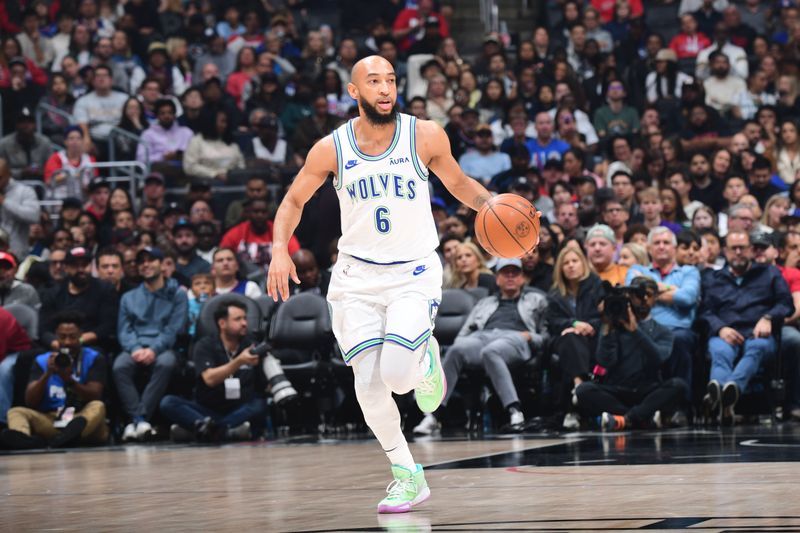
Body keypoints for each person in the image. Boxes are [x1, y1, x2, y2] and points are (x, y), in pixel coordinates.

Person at [266, 56, 502, 514]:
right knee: (369, 385)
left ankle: (425, 356)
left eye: (390, 80)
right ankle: (407, 474)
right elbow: (293, 200)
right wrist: (279, 248)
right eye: (373, 81)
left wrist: (490, 204)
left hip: (412, 270)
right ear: (354, 92)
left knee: (397, 375)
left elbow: (457, 182)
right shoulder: (331, 148)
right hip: (355, 276)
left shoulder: (425, 134)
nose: (385, 88)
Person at [414, 258, 549, 435]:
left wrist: (531, 337)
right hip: (483, 336)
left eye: (514, 273)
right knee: (457, 350)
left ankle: (515, 412)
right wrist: (458, 346)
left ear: (522, 278)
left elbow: (546, 334)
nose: (510, 276)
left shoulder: (536, 299)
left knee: (491, 352)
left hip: (515, 337)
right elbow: (465, 331)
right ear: (497, 279)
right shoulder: (485, 303)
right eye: (504, 273)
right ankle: (433, 416)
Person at [699, 230, 794, 423]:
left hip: (758, 333)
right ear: (725, 251)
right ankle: (726, 397)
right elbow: (705, 311)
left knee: (756, 349)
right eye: (733, 249)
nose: (738, 252)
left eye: (742, 248)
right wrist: (720, 328)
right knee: (720, 352)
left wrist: (768, 317)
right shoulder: (714, 278)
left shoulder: (769, 273)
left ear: (751, 250)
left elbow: (786, 304)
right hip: (726, 332)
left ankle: (724, 393)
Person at [575, 277, 686, 430]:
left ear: (655, 298)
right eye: (639, 295)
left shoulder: (663, 331)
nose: (644, 299)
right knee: (583, 390)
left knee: (678, 385)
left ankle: (625, 419)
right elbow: (605, 361)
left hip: (647, 389)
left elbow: (659, 358)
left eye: (648, 294)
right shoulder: (613, 325)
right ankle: (640, 417)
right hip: (617, 389)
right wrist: (607, 329)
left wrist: (635, 331)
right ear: (629, 297)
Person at [160, 300, 268, 442]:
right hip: (208, 410)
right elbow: (209, 379)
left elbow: (263, 385)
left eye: (245, 318)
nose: (244, 323)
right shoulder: (205, 345)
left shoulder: (251, 345)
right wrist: (239, 361)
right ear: (222, 323)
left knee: (260, 404)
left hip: (240, 409)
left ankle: (205, 430)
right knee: (168, 402)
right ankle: (226, 431)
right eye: (238, 319)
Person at [0, 312, 108, 450]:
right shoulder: (43, 360)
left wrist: (68, 379)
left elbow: (95, 395)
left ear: (81, 335)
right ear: (56, 336)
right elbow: (30, 401)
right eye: (63, 337)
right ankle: (25, 441)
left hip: (81, 419)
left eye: (72, 337)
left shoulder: (94, 358)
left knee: (97, 406)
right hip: (51, 419)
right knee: (16, 412)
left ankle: (65, 438)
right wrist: (48, 374)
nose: (67, 342)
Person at [114, 246, 187, 442]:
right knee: (119, 366)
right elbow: (124, 329)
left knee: (166, 363)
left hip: (164, 346)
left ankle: (137, 419)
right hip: (135, 346)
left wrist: (154, 350)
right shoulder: (128, 297)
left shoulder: (177, 294)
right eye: (141, 261)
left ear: (162, 264)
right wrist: (136, 348)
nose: (146, 264)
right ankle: (141, 419)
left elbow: (174, 328)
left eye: (151, 260)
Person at [626, 227, 700, 406]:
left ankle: (679, 406)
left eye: (666, 243)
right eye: (656, 243)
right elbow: (633, 296)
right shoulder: (636, 269)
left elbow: (686, 297)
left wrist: (649, 288)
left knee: (680, 339)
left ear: (674, 248)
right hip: (643, 328)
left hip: (678, 330)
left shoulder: (688, 272)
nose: (661, 247)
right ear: (649, 249)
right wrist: (670, 290)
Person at [546, 246, 603, 429]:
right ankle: (580, 386)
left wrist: (588, 326)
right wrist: (572, 324)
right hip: (564, 339)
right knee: (570, 339)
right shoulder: (555, 294)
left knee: (574, 341)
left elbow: (604, 316)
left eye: (575, 261)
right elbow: (553, 321)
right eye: (566, 263)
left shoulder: (596, 286)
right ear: (560, 268)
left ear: (583, 264)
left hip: (593, 338)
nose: (571, 266)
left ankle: (574, 404)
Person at [39, 247, 118, 353]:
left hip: (91, 345)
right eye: (75, 265)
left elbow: (107, 325)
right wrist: (58, 343)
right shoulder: (53, 293)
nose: (81, 269)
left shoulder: (105, 289)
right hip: (58, 345)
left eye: (85, 265)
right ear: (66, 268)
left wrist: (77, 341)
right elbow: (43, 328)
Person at [220, 198, 299, 269]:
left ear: (268, 213)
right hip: (244, 280)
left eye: (263, 212)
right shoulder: (236, 232)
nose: (259, 215)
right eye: (256, 212)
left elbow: (296, 255)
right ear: (248, 213)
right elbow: (222, 255)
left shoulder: (281, 232)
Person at [0, 158, 40, 258]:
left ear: (8, 174)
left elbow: (34, 216)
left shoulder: (25, 191)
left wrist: (5, 202)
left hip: (16, 252)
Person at [0, 306, 32, 428]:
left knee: (3, 370)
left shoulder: (1, 318)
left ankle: (2, 420)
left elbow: (1, 351)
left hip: (16, 352)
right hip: (4, 350)